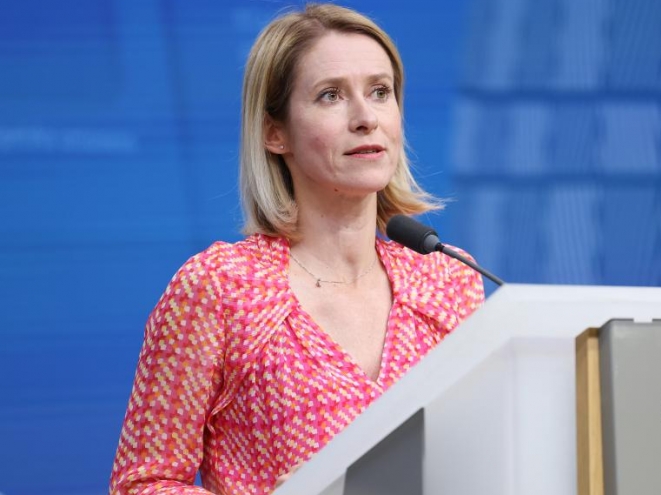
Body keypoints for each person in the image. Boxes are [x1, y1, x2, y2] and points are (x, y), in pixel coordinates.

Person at [109, 4, 484, 494]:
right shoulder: (220, 287)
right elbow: (142, 483)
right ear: (275, 132)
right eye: (331, 96)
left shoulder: (448, 280)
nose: (366, 118)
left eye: (380, 91)